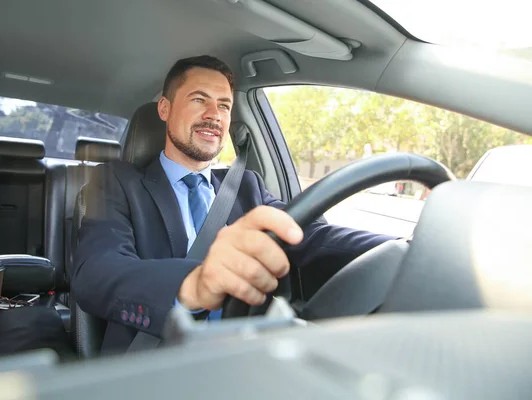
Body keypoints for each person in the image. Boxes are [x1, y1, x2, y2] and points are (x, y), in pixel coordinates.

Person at [72, 55, 396, 354]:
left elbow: (309, 234)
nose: (214, 115)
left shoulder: (246, 187)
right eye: (199, 99)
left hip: (245, 354)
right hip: (154, 362)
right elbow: (96, 272)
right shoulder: (116, 182)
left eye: (224, 106)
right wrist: (194, 284)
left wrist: (404, 247)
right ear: (165, 109)